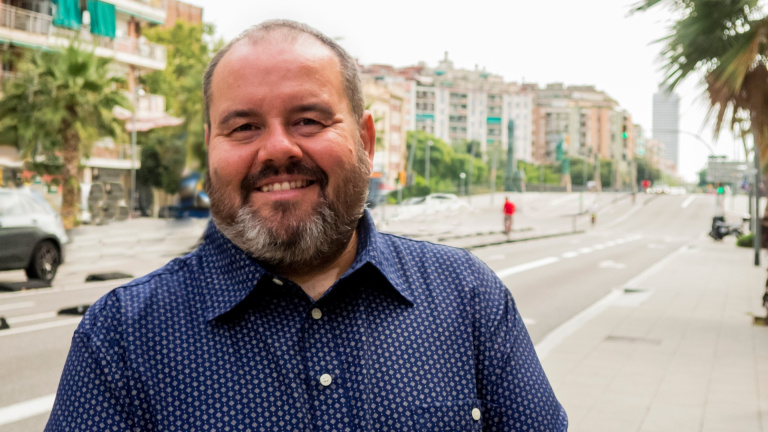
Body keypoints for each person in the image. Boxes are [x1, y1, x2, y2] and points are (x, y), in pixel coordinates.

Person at [46, 20, 567, 431]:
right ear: (210, 148)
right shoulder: (120, 339)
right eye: (244, 126)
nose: (277, 148)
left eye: (309, 121)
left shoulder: (469, 298)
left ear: (365, 139)